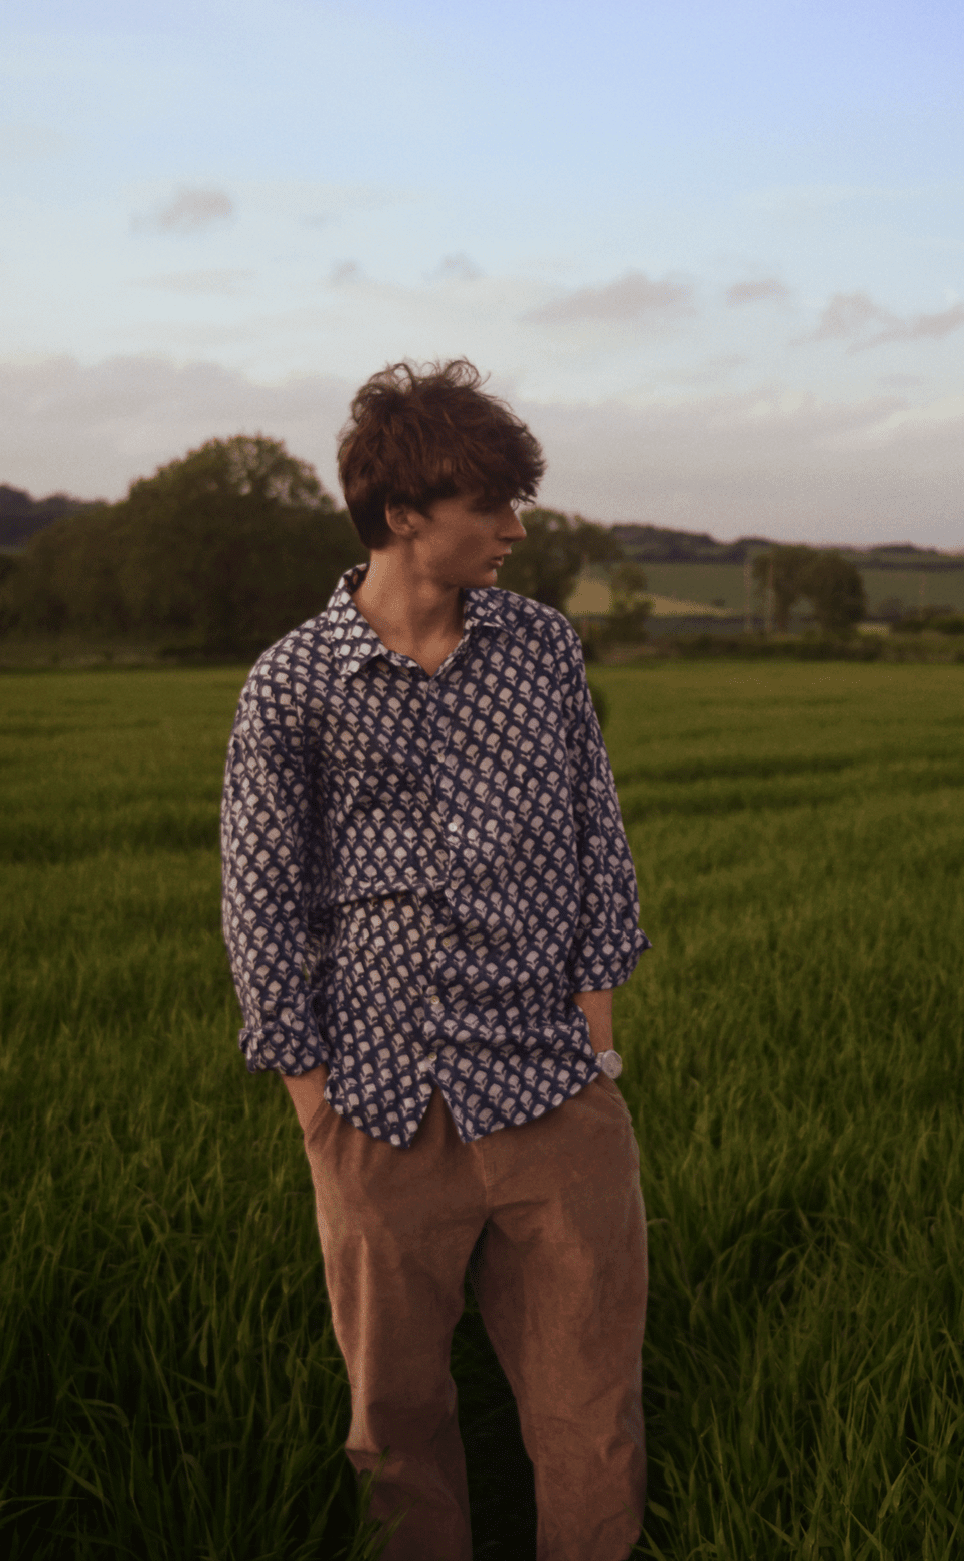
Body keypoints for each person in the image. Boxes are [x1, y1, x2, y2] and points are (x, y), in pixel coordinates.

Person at [220, 359, 650, 1561]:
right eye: (492, 504)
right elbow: (261, 903)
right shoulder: (292, 684)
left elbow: (596, 832)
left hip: (554, 1093)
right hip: (376, 1109)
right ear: (405, 513)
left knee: (592, 1418)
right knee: (397, 1425)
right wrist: (316, 1107)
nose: (517, 527)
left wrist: (597, 1036)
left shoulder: (541, 648)